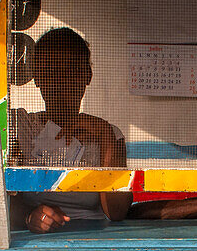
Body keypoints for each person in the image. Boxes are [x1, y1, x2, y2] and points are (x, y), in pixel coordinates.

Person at [11, 28, 132, 233]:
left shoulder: (111, 135)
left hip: (92, 235)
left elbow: (117, 212)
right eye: (50, 71)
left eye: (71, 70)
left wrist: (104, 134)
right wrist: (28, 216)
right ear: (37, 78)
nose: (60, 80)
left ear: (87, 76)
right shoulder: (20, 126)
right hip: (29, 238)